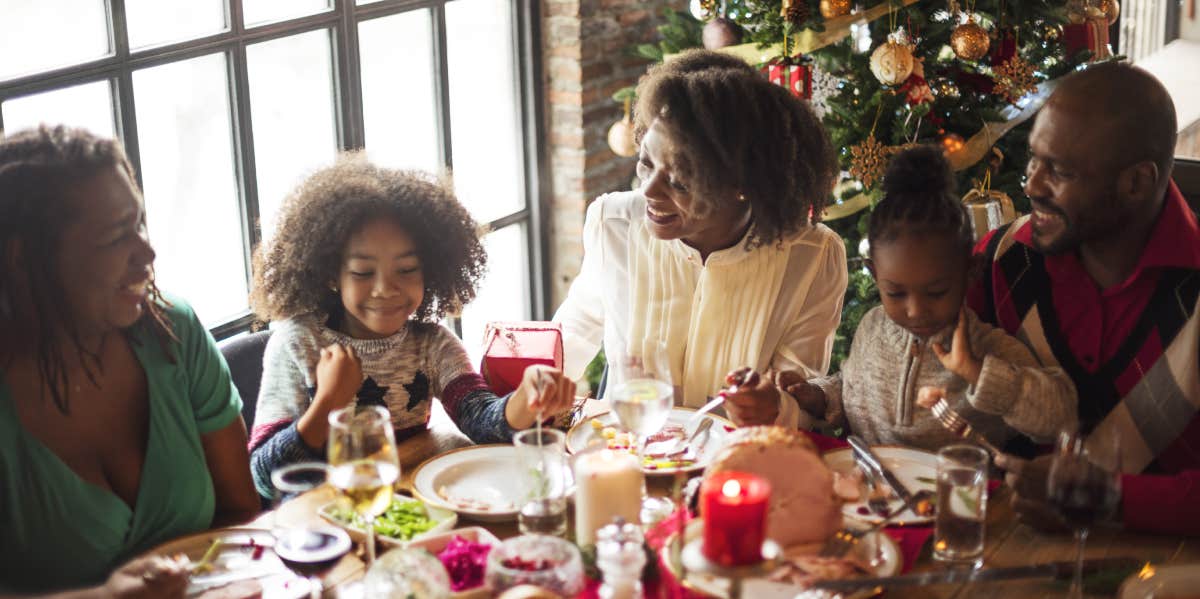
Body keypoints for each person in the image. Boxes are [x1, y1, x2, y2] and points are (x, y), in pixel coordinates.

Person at [0, 126, 260, 595]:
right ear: (22, 257)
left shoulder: (173, 332)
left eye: (138, 224)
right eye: (116, 237)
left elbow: (240, 515)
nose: (147, 253)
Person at [247, 154, 576, 498]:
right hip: (319, 525)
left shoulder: (432, 345)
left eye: (406, 270)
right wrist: (328, 401)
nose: (385, 288)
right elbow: (264, 476)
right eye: (362, 272)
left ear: (430, 270)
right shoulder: (298, 343)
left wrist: (527, 397)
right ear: (331, 274)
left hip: (401, 509)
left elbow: (482, 421)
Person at [554, 49, 846, 428]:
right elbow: (573, 332)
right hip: (628, 459)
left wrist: (776, 407)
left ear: (743, 185)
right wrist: (533, 381)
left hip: (739, 468)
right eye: (646, 163)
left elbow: (801, 401)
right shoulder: (614, 224)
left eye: (678, 181)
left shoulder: (812, 257)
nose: (649, 191)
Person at [967, 63, 1200, 535]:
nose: (1031, 184)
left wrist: (1110, 499)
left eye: (1060, 170)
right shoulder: (1000, 262)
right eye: (1034, 160)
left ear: (1136, 183)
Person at [776, 146, 1077, 450]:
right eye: (895, 293)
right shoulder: (871, 327)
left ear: (970, 272)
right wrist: (818, 397)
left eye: (936, 292)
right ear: (874, 273)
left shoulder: (990, 350)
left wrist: (977, 372)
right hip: (863, 488)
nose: (916, 310)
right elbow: (852, 388)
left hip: (953, 494)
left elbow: (1061, 419)